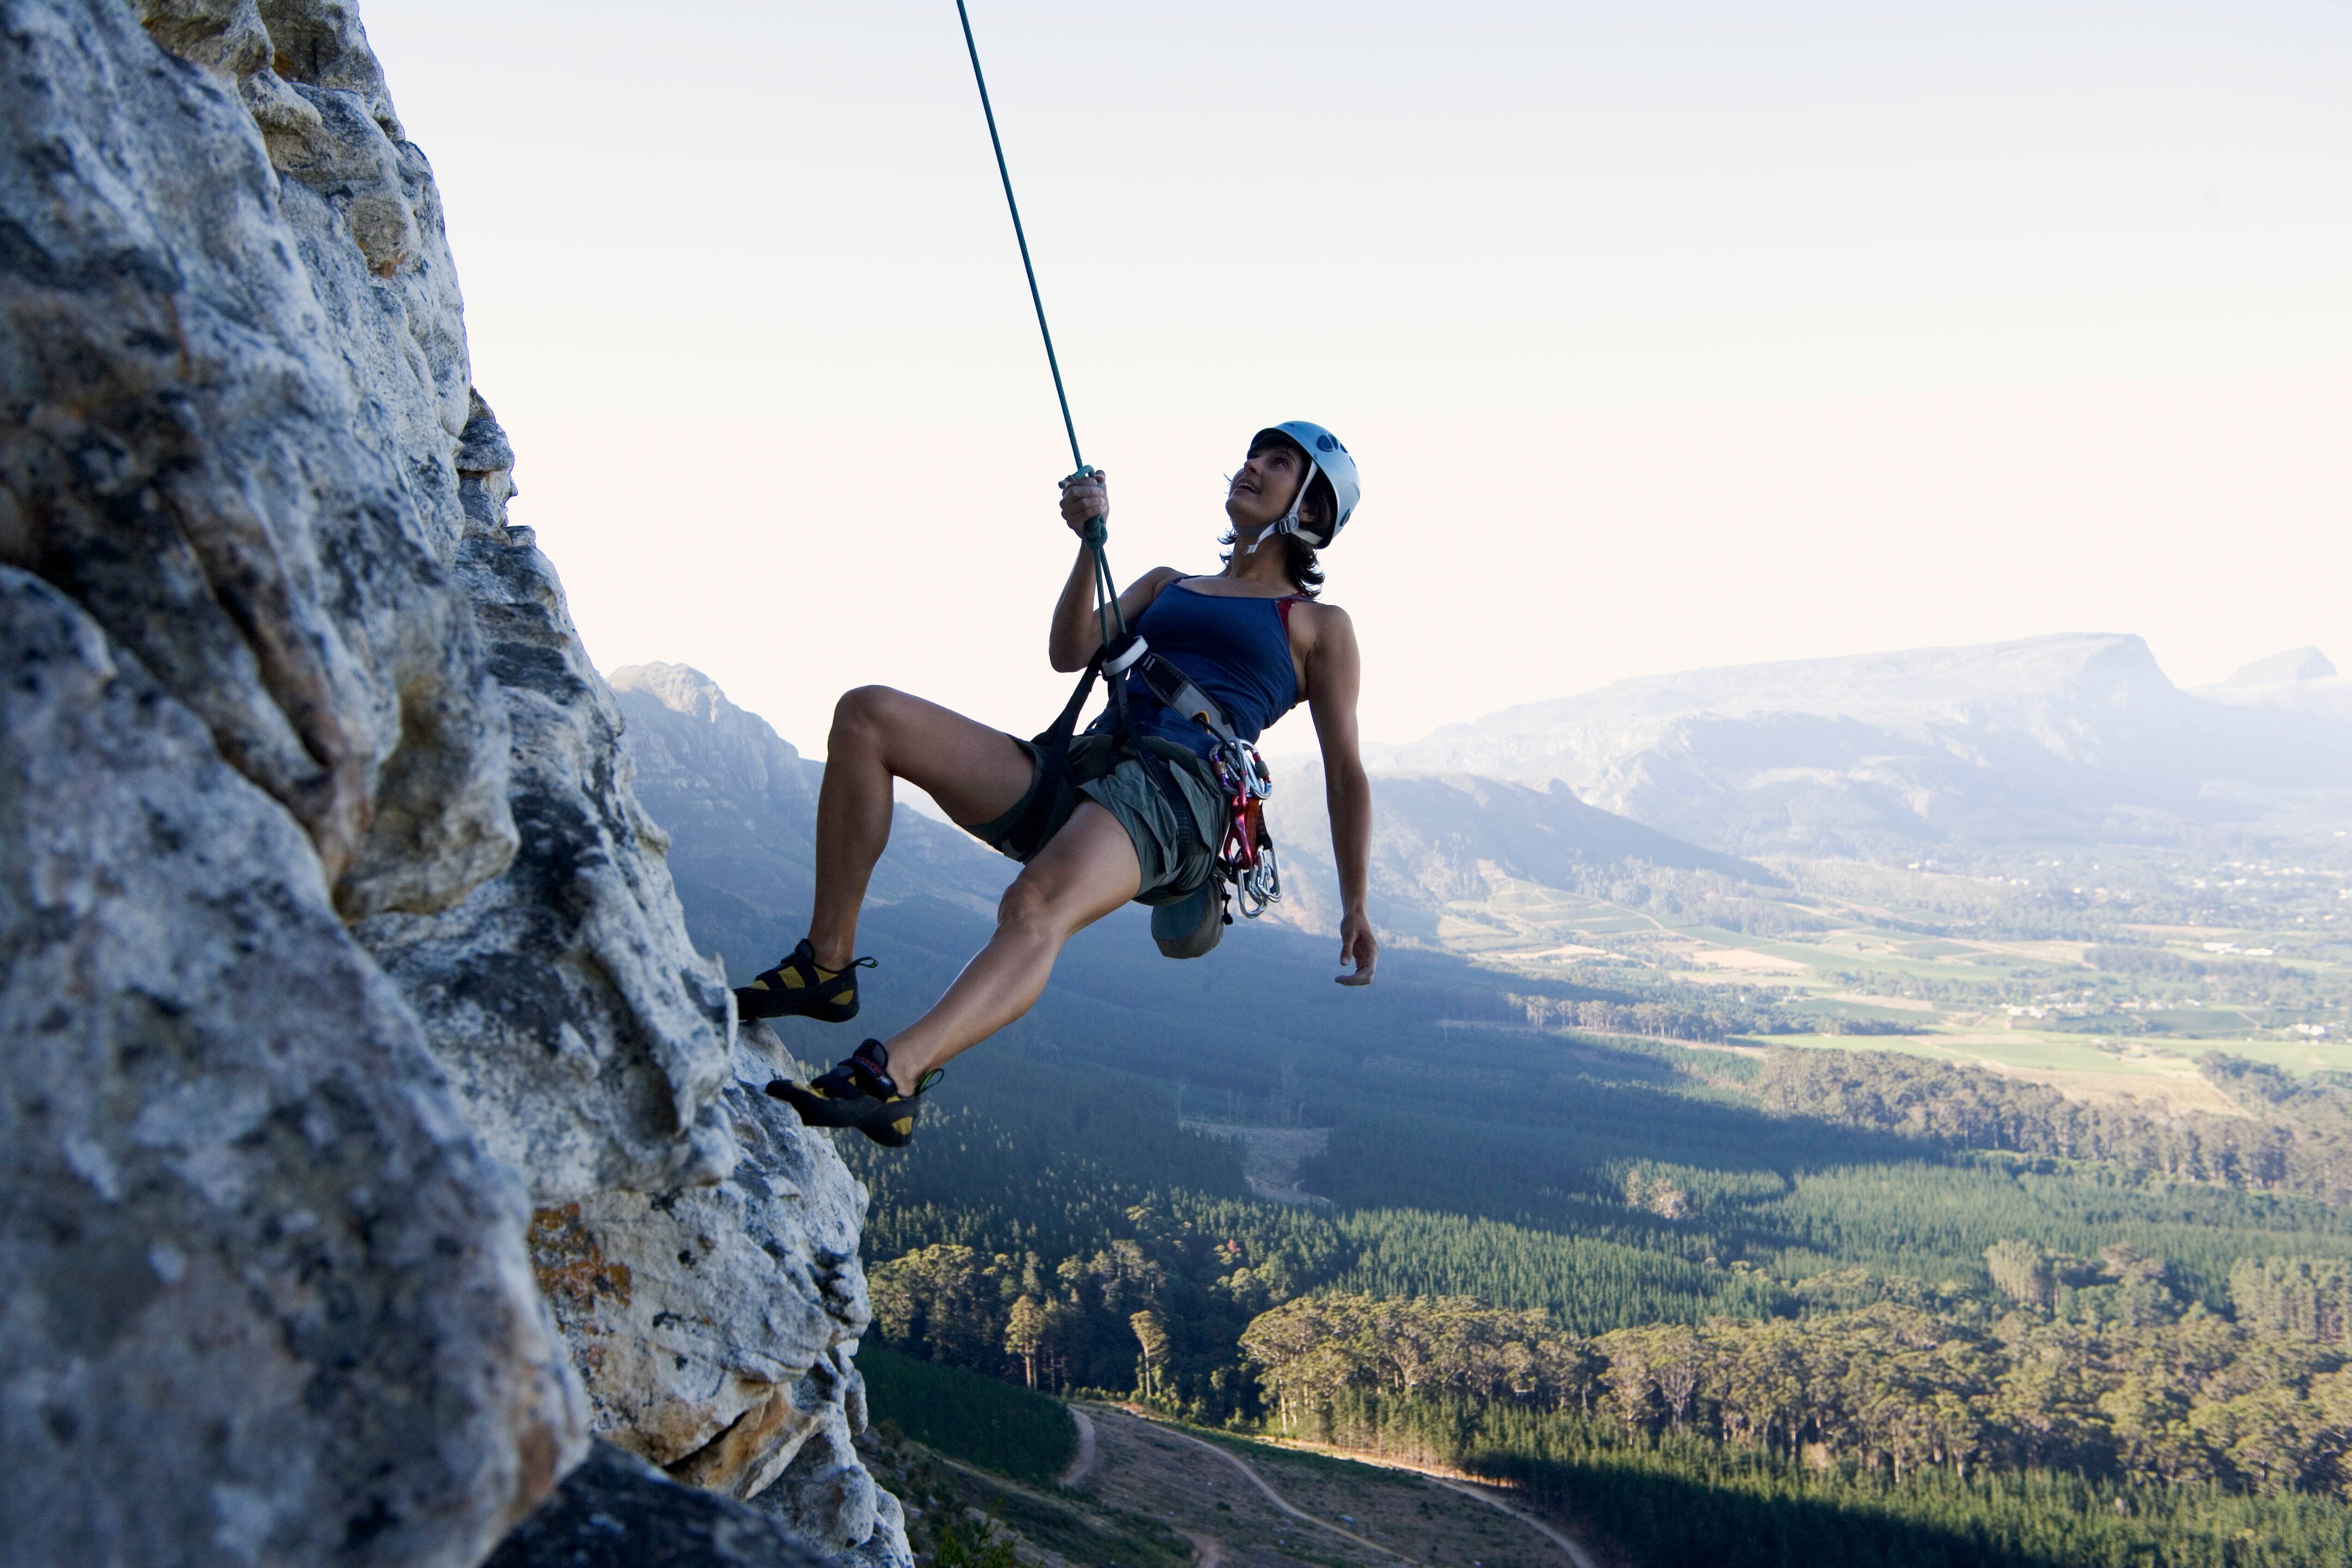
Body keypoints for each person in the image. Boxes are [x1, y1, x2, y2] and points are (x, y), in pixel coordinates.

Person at [744, 423, 1378, 1146]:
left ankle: (896, 1074)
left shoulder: (1319, 626)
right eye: (1253, 455)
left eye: (1278, 463)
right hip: (1091, 765)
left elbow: (1345, 772)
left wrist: (1355, 903)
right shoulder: (1167, 584)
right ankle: (827, 964)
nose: (1251, 468)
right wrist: (1089, 541)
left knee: (1036, 902)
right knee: (868, 717)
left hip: (1178, 796)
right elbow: (1069, 651)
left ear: (1315, 512)